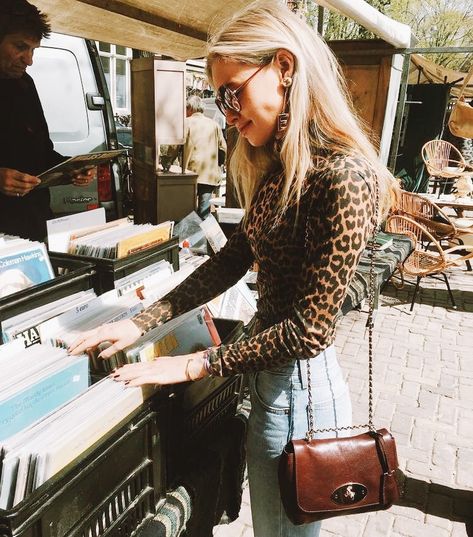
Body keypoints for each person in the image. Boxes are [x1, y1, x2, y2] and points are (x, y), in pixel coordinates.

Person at [69, 1, 396, 535]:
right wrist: (139, 322)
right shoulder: (284, 170)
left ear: (283, 68)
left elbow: (311, 331)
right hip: (275, 383)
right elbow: (232, 260)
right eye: (219, 97)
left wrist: (196, 364)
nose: (227, 111)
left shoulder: (345, 177)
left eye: (233, 92)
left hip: (300, 393)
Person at [0, 0, 93, 241]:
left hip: (33, 225)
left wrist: (70, 168)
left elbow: (42, 153)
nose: (28, 60)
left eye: (33, 50)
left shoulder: (25, 85)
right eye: (20, 47)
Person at [182, 95, 226, 219]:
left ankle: (191, 236)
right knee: (204, 211)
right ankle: (203, 236)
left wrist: (167, 161)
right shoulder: (214, 124)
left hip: (190, 174)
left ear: (190, 108)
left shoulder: (186, 123)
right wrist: (219, 164)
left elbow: (174, 146)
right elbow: (223, 147)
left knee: (187, 211)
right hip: (209, 175)